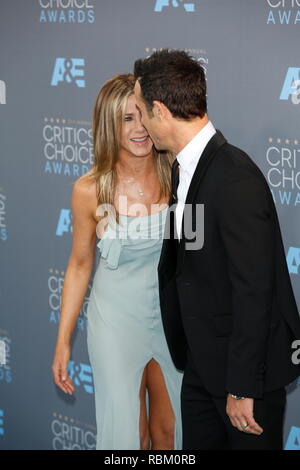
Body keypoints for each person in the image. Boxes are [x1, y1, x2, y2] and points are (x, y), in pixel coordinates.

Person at [133, 49, 300, 450]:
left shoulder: (234, 176)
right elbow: (192, 264)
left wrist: (242, 387)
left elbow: (255, 289)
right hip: (203, 368)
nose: (139, 122)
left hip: (244, 381)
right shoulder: (184, 168)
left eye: (140, 111)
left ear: (159, 110)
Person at [51, 73, 184, 450]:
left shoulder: (178, 174)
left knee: (170, 430)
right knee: (128, 435)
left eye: (143, 114)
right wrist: (63, 343)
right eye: (126, 119)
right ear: (108, 125)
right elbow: (79, 265)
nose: (139, 128)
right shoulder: (89, 189)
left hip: (171, 317)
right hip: (115, 321)